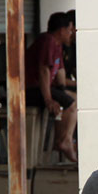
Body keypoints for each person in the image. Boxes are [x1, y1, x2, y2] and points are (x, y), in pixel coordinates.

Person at [25, 11, 77, 162]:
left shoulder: (58, 45)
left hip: (43, 88)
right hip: (31, 89)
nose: (71, 34)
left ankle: (62, 140)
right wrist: (48, 100)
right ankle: (64, 141)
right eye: (69, 30)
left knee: (72, 98)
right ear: (61, 30)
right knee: (70, 104)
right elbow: (43, 71)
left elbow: (60, 79)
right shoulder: (47, 40)